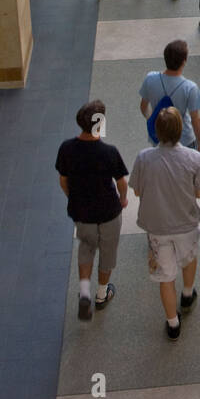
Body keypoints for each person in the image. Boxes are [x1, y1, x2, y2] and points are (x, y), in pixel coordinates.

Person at [129, 107, 200, 341]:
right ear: (180, 131)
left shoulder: (144, 157)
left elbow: (136, 190)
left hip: (156, 226)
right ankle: (187, 293)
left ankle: (173, 323)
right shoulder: (193, 158)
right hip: (186, 222)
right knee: (189, 257)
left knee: (165, 276)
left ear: (156, 131)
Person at [56, 100, 128, 321]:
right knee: (108, 251)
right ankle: (101, 293)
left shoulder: (67, 148)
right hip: (108, 213)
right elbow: (121, 182)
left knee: (86, 248)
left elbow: (63, 180)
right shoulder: (109, 152)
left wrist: (73, 198)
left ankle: (85, 293)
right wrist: (123, 200)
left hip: (82, 213)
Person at [139, 39, 200, 153]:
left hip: (159, 137)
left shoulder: (150, 79)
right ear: (184, 61)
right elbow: (195, 119)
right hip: (184, 140)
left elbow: (143, 107)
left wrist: (153, 120)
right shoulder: (190, 88)